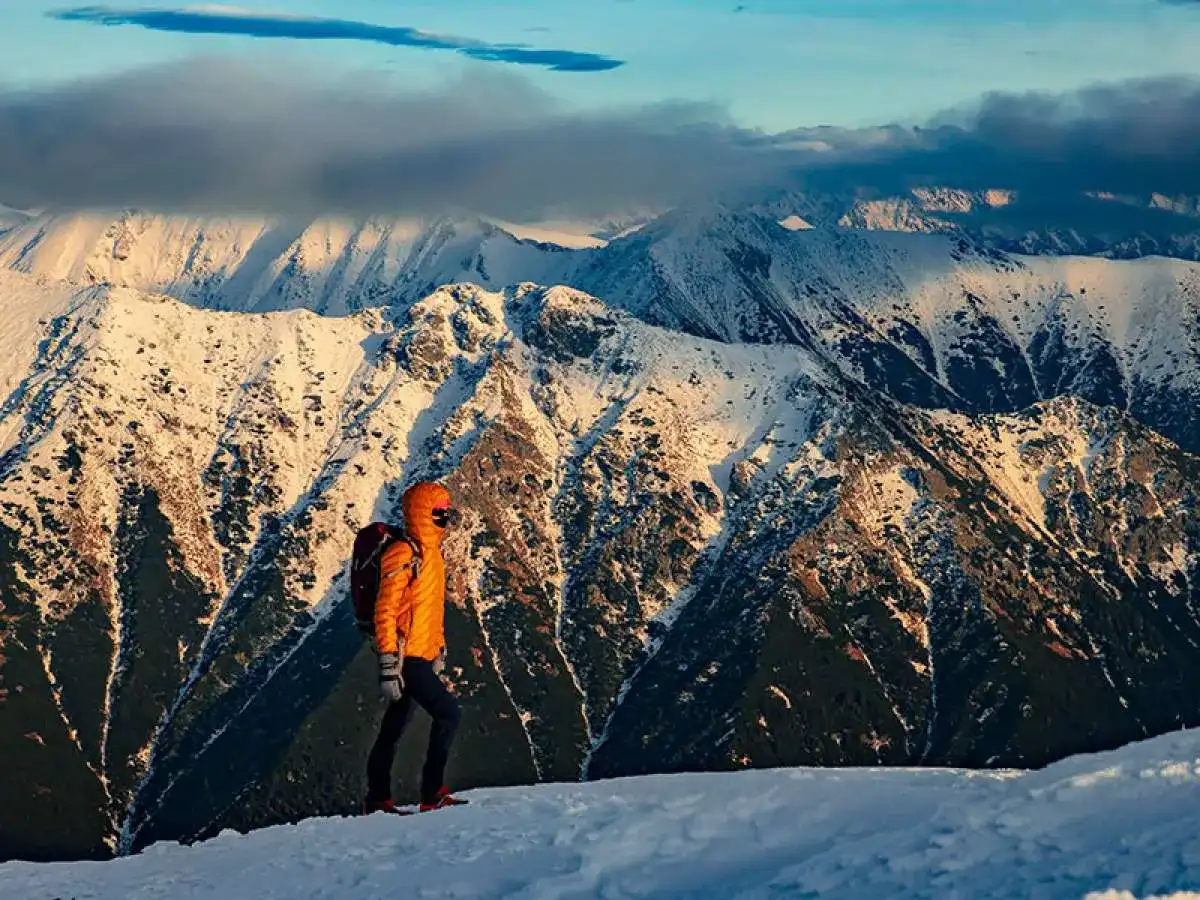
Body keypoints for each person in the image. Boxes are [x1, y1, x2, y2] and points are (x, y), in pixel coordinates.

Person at [364, 480, 467, 814]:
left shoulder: (432, 555)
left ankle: (379, 800)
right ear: (423, 513)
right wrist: (388, 663)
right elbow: (385, 610)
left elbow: (429, 610)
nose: (445, 519)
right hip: (406, 657)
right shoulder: (403, 554)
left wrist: (438, 649)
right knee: (448, 713)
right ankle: (431, 793)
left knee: (394, 728)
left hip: (422, 654)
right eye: (440, 513)